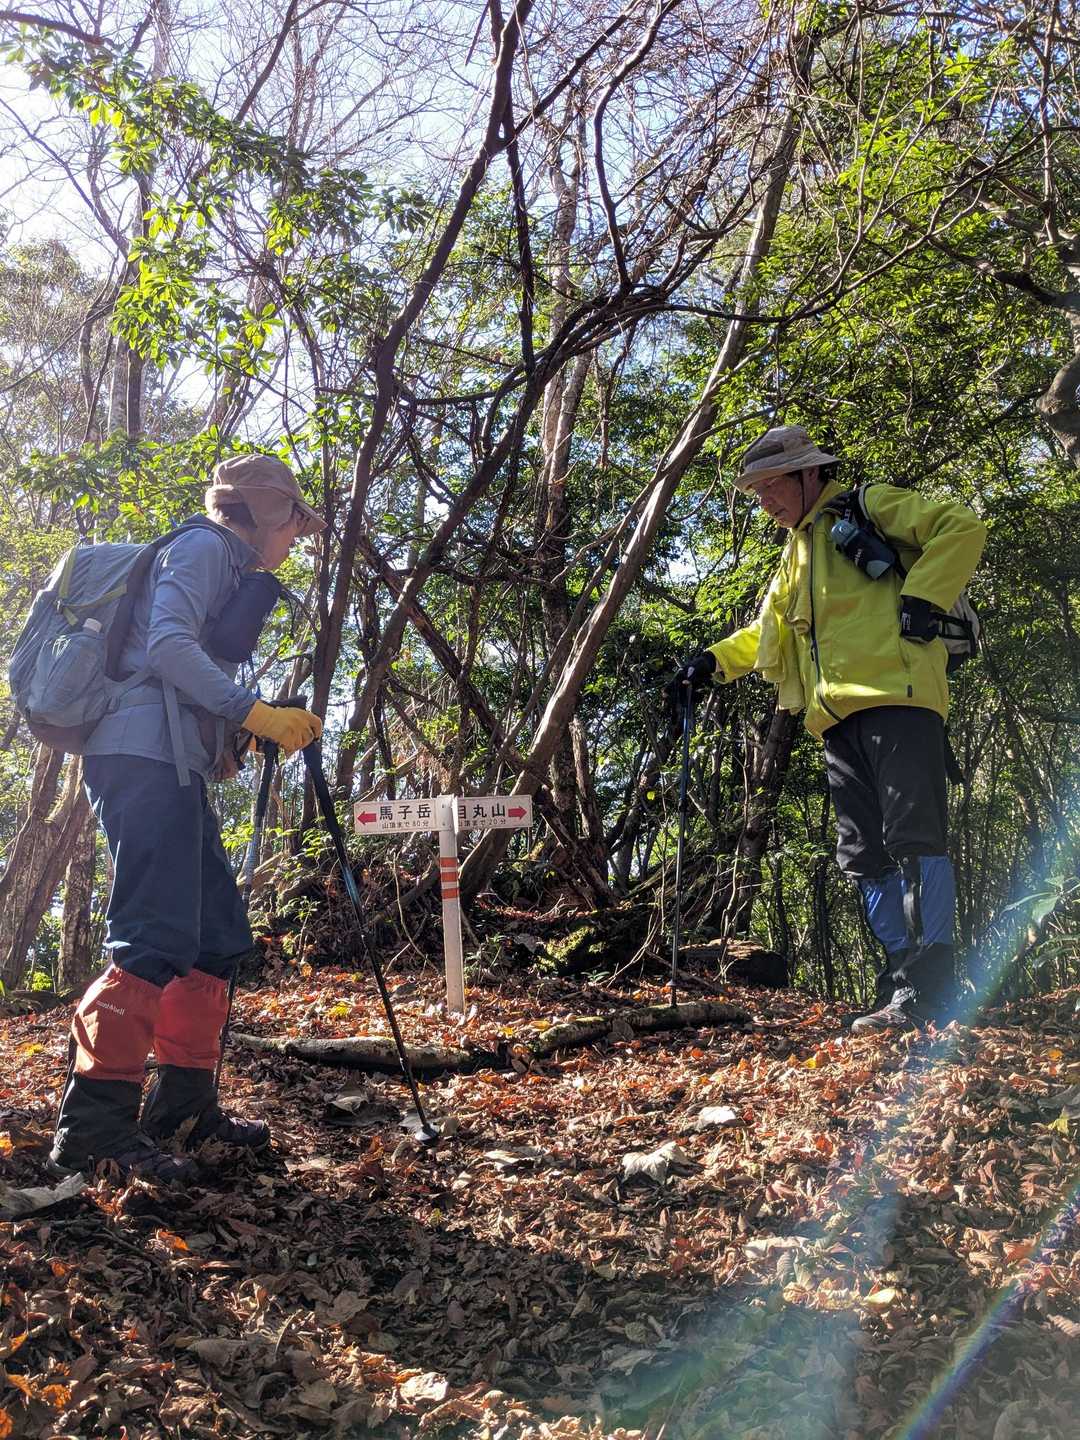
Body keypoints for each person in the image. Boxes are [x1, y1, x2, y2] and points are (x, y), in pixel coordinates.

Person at [48, 455, 326, 1182]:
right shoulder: (204, 545)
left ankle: (183, 1107)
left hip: (171, 765)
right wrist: (253, 713)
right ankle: (93, 1129)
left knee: (215, 938)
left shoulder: (227, 563)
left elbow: (179, 665)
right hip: (140, 760)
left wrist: (245, 726)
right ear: (265, 515)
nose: (294, 539)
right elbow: (167, 647)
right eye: (293, 525)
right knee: (153, 937)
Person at [670, 425, 986, 1032]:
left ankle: (931, 986)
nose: (765, 500)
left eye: (772, 485)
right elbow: (766, 635)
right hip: (835, 722)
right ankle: (900, 981)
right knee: (863, 855)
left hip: (901, 702)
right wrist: (708, 663)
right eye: (757, 491)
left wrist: (923, 597)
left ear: (810, 473)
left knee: (914, 838)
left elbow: (962, 527)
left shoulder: (871, 505)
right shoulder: (794, 554)